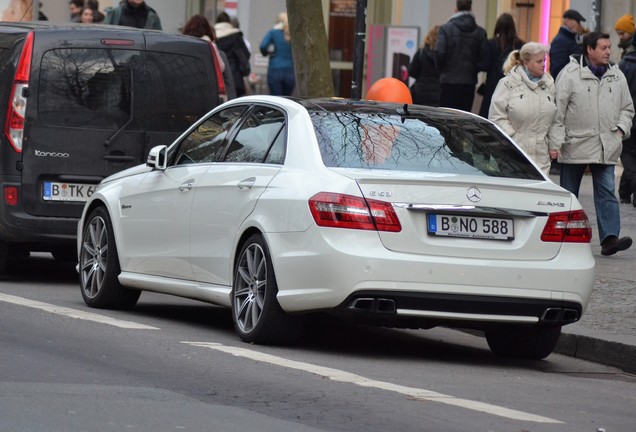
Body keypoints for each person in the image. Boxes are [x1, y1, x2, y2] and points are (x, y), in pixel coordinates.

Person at [548, 32, 635, 256]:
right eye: (603, 47)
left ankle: (610, 239)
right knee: (569, 194)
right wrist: (555, 143)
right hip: (574, 145)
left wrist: (620, 129)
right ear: (589, 49)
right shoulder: (569, 75)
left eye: (609, 47)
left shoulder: (617, 76)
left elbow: (627, 108)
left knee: (607, 191)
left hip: (607, 145)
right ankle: (564, 237)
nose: (608, 51)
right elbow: (557, 112)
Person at [489, 42, 555, 175]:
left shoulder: (549, 84)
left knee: (538, 195)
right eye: (539, 61)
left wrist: (554, 144)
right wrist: (513, 138)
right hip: (513, 155)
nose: (543, 64)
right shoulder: (507, 83)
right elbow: (496, 117)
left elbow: (554, 119)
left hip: (541, 157)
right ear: (525, 63)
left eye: (544, 60)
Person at [434, 0, 487, 111]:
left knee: (445, 118)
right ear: (471, 9)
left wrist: (442, 71)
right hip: (469, 82)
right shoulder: (480, 32)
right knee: (464, 119)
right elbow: (484, 61)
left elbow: (439, 53)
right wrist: (473, 69)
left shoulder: (445, 29)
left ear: (456, 10)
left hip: (448, 82)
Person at [476, 13, 523, 118]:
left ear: (498, 26)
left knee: (489, 117)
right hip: (514, 85)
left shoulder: (491, 43)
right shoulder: (520, 45)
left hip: (492, 86)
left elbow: (485, 65)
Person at [182, 14, 237, 100]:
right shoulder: (213, 49)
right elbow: (225, 75)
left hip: (188, 98)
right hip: (212, 99)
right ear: (208, 30)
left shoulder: (183, 49)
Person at [214, 12, 251, 97]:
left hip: (217, 77)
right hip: (235, 76)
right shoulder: (236, 35)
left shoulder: (213, 34)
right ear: (228, 22)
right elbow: (246, 54)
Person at [618, 35, 636, 206]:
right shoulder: (625, 64)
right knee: (631, 155)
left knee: (627, 153)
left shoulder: (624, 65)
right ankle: (625, 192)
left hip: (627, 117)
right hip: (628, 117)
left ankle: (626, 191)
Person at [260, 12, 295, 96]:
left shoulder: (273, 32)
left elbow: (263, 46)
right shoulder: (293, 34)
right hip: (290, 70)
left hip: (275, 69)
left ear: (278, 22)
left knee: (276, 99)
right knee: (287, 99)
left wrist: (267, 53)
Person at [407, 26, 441, 106]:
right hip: (439, 94)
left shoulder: (421, 52)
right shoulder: (444, 55)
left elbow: (412, 71)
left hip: (421, 93)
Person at [549, 9, 586, 80]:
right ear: (567, 21)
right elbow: (557, 69)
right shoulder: (560, 41)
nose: (579, 25)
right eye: (577, 21)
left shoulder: (572, 38)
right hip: (566, 84)